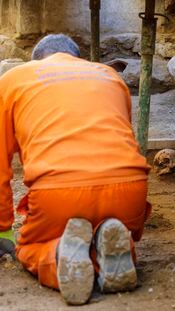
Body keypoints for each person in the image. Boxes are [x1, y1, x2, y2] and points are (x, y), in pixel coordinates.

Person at [0, 34, 151, 305]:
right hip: (129, 191)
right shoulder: (109, 76)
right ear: (79, 60)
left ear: (36, 61)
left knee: (30, 247)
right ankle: (114, 248)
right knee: (110, 227)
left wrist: (2, 229)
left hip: (58, 193)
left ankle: (56, 256)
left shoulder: (14, 78)